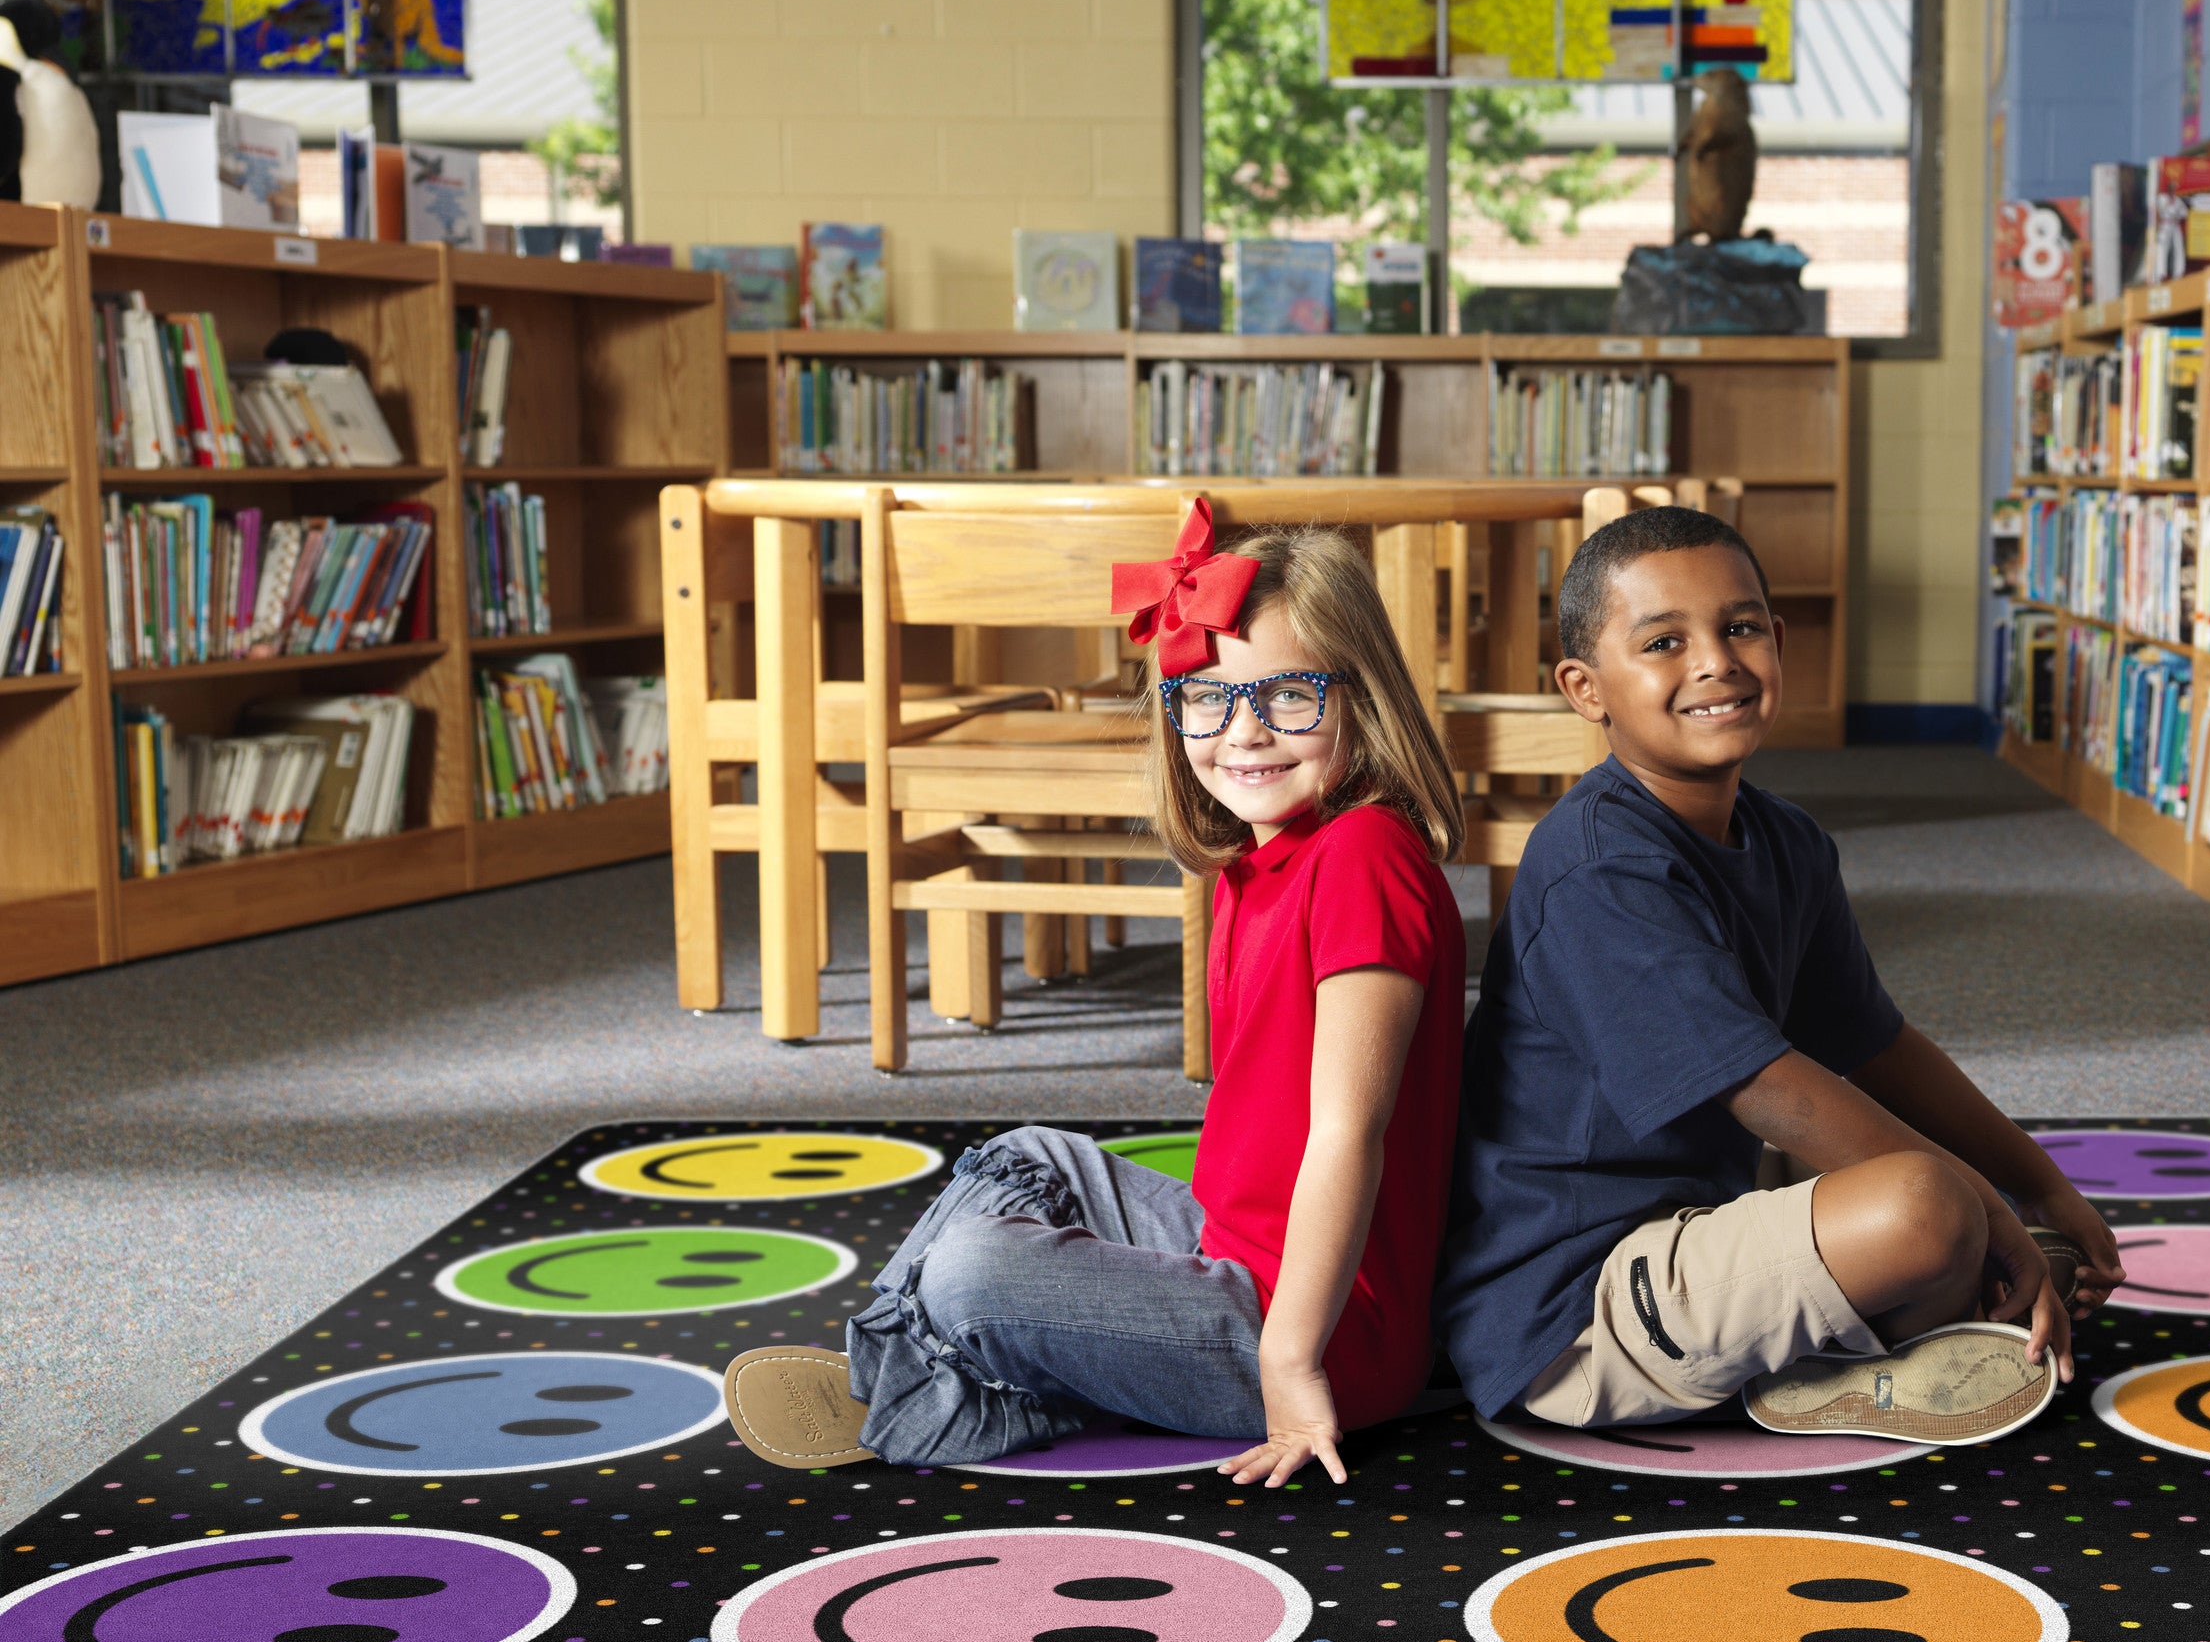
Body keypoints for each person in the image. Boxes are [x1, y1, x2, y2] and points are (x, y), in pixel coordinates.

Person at [722, 505, 1467, 1490]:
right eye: (1203, 698)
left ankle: (959, 1379)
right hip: (1233, 1244)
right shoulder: (1259, 860)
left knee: (972, 1273)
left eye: (1288, 695)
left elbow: (1346, 1133)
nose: (1242, 732)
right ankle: (953, 1356)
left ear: (1359, 700)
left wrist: (1288, 1361)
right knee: (1029, 1156)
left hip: (1318, 1329)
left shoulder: (1365, 855)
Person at [1434, 505, 2123, 1446]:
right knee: (1926, 1204)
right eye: (1664, 641)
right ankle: (1848, 1360)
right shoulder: (1597, 864)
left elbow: (1879, 1046)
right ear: (1585, 689)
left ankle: (1913, 1306)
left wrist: (2041, 1188)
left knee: (1936, 1189)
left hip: (1702, 1215)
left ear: (1779, 639)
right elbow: (1766, 1090)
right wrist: (1988, 1216)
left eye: (1741, 626)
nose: (1715, 660)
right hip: (1575, 1307)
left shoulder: (1786, 837)